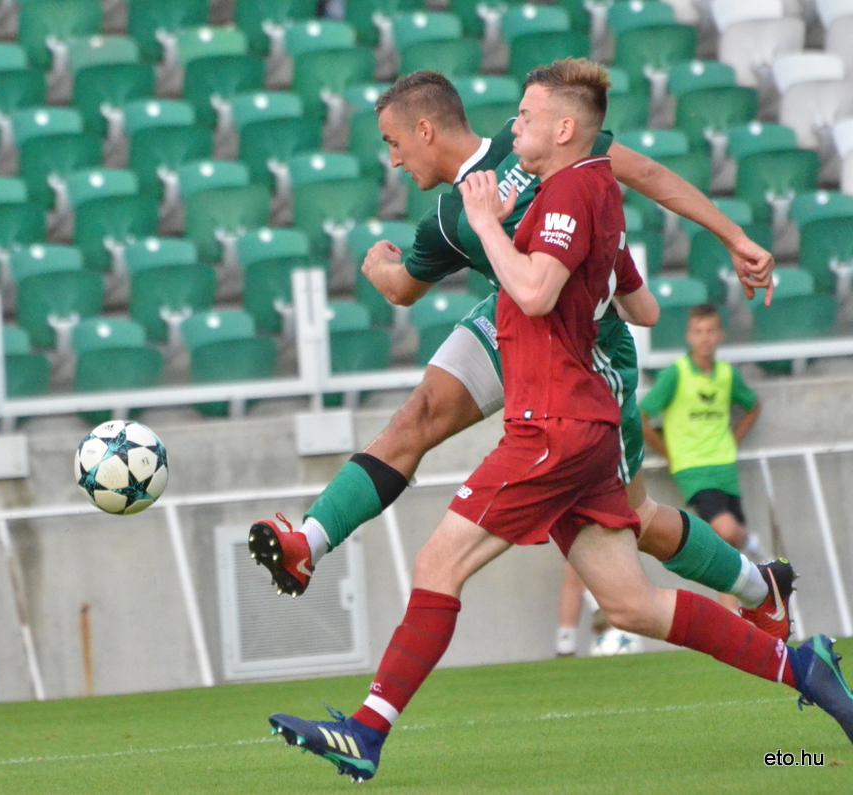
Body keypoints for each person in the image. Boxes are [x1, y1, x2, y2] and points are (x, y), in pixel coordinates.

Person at [265, 61, 853, 783]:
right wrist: (584, 273)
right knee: (631, 602)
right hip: (571, 409)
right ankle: (804, 665)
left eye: (524, 116)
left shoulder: (572, 182)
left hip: (561, 413)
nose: (514, 125)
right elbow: (635, 303)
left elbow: (545, 289)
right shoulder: (561, 189)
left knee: (439, 562)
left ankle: (367, 729)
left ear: (563, 130)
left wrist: (502, 232)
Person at [248, 69, 793, 642]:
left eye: (394, 143)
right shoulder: (445, 221)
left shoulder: (541, 141)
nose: (394, 161)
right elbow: (403, 289)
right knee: (418, 414)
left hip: (589, 351)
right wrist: (380, 264)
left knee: (636, 518)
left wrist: (736, 238)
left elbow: (649, 174)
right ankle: (306, 542)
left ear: (426, 130)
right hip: (514, 320)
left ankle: (760, 586)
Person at [641, 303, 764, 607]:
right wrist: (669, 452)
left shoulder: (726, 374)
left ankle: (733, 617)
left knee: (728, 552)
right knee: (727, 531)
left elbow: (753, 405)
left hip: (724, 465)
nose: (705, 338)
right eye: (698, 332)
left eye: (711, 331)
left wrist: (733, 440)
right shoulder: (676, 373)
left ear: (721, 335)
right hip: (692, 468)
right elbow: (642, 415)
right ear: (689, 336)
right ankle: (754, 544)